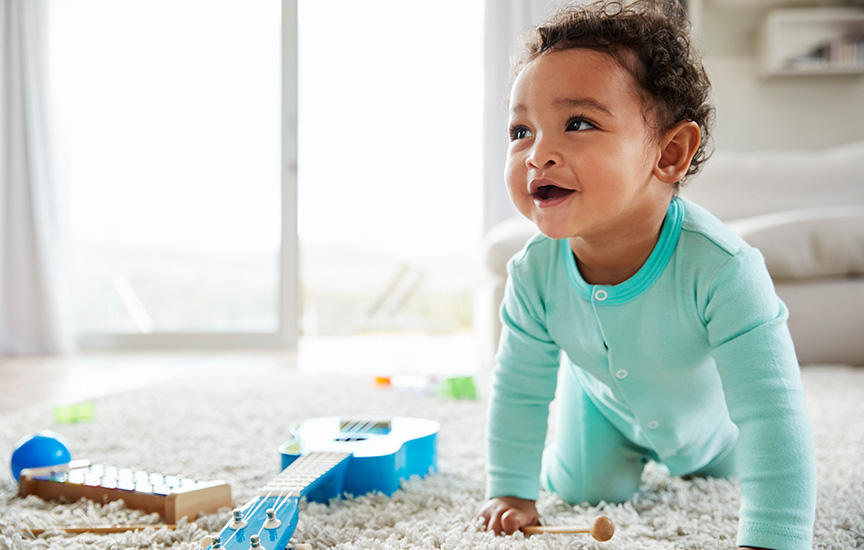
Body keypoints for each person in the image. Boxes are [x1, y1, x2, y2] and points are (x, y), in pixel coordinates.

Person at [475, 1, 817, 549]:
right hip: (601, 409)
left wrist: (775, 534)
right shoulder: (533, 273)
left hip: (713, 423)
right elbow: (518, 389)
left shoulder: (724, 269)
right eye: (521, 131)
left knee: (724, 468)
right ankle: (594, 423)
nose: (538, 154)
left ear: (670, 153)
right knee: (586, 488)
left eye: (578, 123)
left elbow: (772, 411)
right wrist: (512, 490)